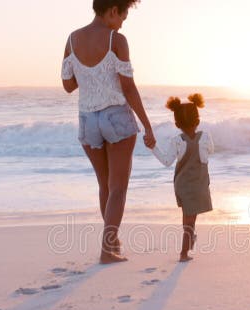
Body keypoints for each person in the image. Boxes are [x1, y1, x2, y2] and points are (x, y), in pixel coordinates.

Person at [61, 0, 156, 264]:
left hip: (87, 119)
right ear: (113, 10)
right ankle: (107, 250)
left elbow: (68, 85)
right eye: (124, 15)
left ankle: (112, 243)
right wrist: (147, 125)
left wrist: (89, 75)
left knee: (104, 185)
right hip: (115, 116)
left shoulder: (72, 39)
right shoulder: (117, 39)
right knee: (118, 189)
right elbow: (128, 88)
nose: (124, 21)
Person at [151, 94, 214, 262]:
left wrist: (153, 147)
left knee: (188, 217)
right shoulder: (205, 137)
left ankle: (188, 244)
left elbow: (166, 161)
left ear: (177, 124)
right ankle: (184, 253)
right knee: (190, 219)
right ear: (198, 121)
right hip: (200, 184)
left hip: (183, 185)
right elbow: (210, 152)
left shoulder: (176, 141)